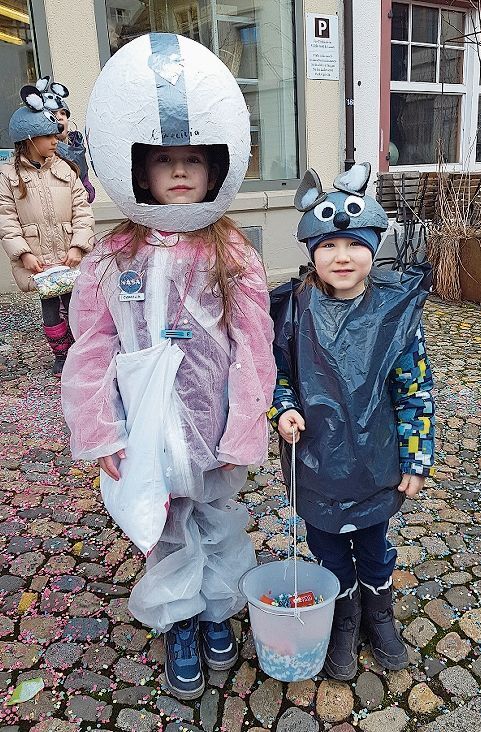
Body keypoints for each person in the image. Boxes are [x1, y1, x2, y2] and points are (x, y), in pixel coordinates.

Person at [61, 33, 276, 701]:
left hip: (210, 428)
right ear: (139, 171)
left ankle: (216, 609)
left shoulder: (232, 252)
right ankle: (180, 618)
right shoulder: (110, 257)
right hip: (148, 432)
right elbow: (91, 345)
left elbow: (254, 343)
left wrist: (245, 426)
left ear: (214, 168)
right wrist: (99, 432)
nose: (179, 171)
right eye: (164, 161)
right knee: (166, 527)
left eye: (192, 159)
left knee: (216, 520)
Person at [268, 164, 435, 680]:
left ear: (373, 245)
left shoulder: (395, 313)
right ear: (311, 253)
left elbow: (414, 391)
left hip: (375, 460)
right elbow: (276, 372)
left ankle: (378, 613)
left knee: (372, 543)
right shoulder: (293, 309)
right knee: (327, 545)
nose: (342, 257)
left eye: (354, 244)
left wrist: (417, 456)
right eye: (328, 246)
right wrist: (284, 407)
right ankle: (345, 614)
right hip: (316, 458)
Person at [0, 86, 95, 376]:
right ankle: (61, 354)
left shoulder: (66, 169)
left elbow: (82, 209)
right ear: (29, 139)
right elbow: (6, 220)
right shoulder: (8, 176)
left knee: (76, 305)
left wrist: (79, 245)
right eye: (49, 136)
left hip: (69, 253)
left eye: (57, 134)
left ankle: (82, 350)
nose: (56, 140)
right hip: (39, 258)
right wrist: (24, 254)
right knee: (51, 307)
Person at [33, 75, 96, 202]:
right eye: (53, 114)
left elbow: (85, 180)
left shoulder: (76, 147)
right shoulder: (38, 151)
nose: (60, 117)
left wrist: (88, 192)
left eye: (63, 113)